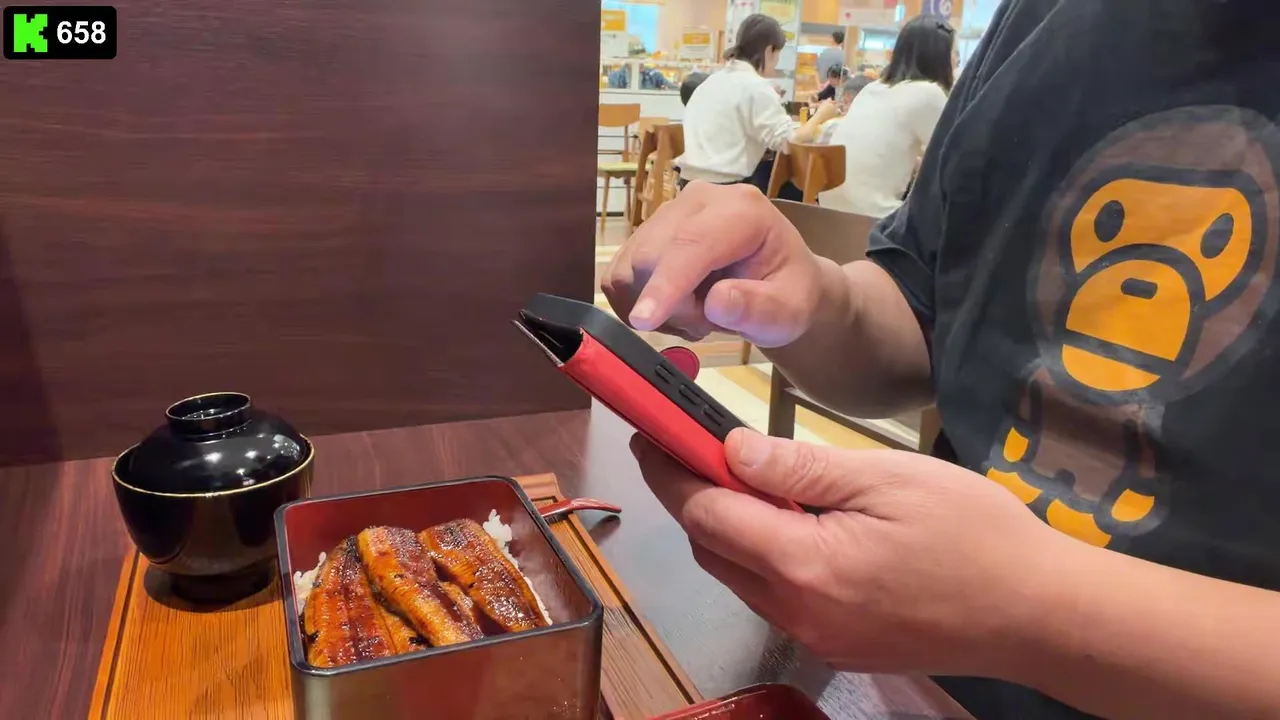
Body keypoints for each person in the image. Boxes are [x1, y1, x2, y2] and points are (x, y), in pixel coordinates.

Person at [601, 1, 1280, 719]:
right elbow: (918, 307)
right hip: (916, 684)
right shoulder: (1037, 17)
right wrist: (815, 300)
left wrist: (1031, 609)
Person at [678, 14, 840, 196]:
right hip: (725, 191)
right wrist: (822, 115)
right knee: (788, 197)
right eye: (778, 54)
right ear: (769, 51)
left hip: (687, 187)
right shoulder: (756, 87)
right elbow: (789, 141)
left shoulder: (712, 82)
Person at [818, 16, 955, 217]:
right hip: (874, 219)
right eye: (953, 53)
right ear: (940, 56)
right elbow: (954, 160)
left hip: (829, 215)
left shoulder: (872, 88)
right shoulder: (928, 93)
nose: (956, 60)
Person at [816, 75, 874, 145]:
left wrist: (818, 116)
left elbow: (805, 139)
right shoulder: (878, 128)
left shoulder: (833, 126)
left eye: (845, 101)